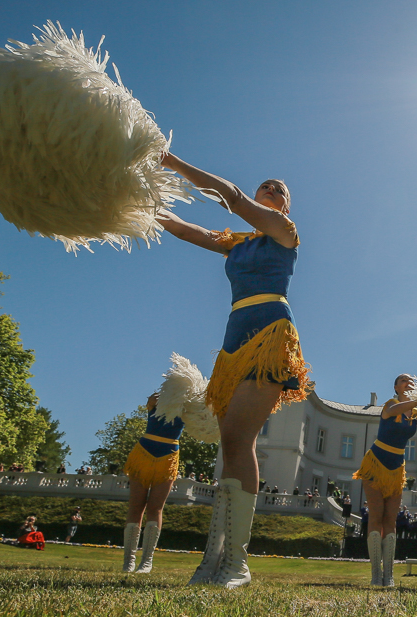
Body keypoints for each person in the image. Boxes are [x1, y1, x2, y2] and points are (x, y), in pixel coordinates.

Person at [158, 153, 311, 589]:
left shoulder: (285, 231)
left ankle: (237, 564)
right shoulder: (237, 242)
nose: (271, 188)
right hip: (233, 339)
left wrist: (171, 160)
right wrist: (144, 201)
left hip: (270, 332)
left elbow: (234, 197)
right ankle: (215, 559)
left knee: (240, 439)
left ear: (284, 206)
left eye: (279, 190)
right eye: (267, 185)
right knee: (231, 443)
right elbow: (185, 230)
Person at [353, 374, 417, 587]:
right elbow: (393, 411)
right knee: (376, 517)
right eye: (403, 381)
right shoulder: (391, 404)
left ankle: (388, 575)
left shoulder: (416, 414)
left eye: (411, 381)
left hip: (397, 468)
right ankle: (375, 574)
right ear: (396, 387)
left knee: (390, 520)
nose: (409, 383)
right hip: (375, 464)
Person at [121, 392, 182, 574]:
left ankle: (147, 561)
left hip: (168, 458)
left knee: (155, 508)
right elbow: (152, 401)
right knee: (136, 505)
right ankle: (129, 561)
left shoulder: (188, 405)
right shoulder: (156, 399)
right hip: (143, 453)